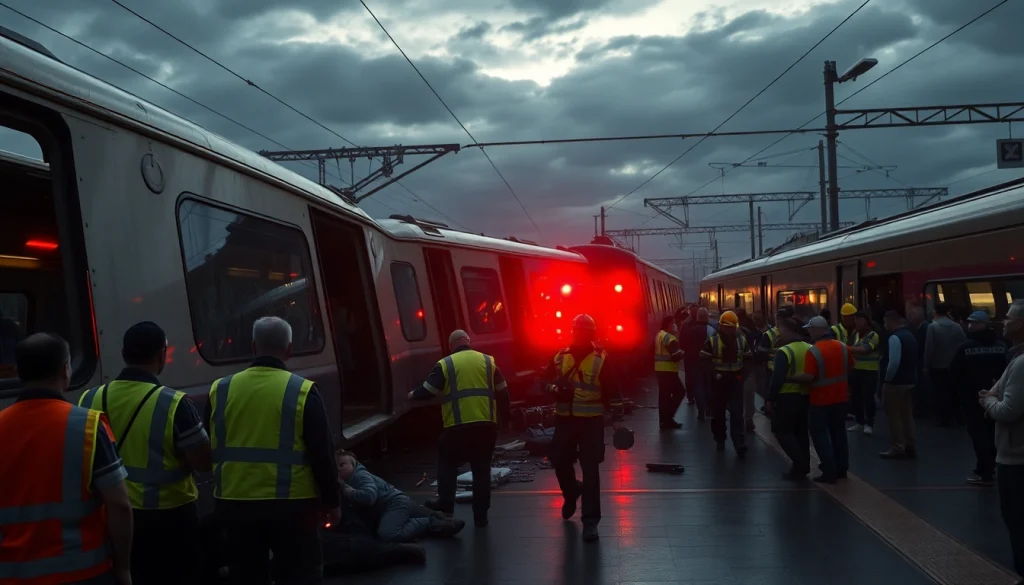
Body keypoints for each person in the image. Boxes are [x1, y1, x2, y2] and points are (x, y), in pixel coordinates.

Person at [206, 316, 342, 585]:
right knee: (301, 574)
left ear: (253, 347)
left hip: (235, 503)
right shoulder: (302, 391)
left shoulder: (220, 390)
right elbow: (322, 454)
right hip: (293, 506)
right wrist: (331, 501)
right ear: (289, 349)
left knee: (246, 574)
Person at [78, 321, 211, 585]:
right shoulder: (174, 404)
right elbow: (203, 462)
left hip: (110, 517)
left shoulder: (88, 399)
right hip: (169, 522)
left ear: (124, 354)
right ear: (162, 355)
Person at [0, 333, 133, 585]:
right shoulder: (89, 426)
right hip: (83, 573)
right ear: (65, 370)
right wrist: (123, 567)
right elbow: (119, 504)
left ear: (18, 372)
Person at [411, 329, 507, 528]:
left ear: (451, 345)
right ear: (469, 342)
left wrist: (411, 395)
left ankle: (446, 507)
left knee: (447, 463)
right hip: (485, 426)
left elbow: (428, 391)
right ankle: (481, 516)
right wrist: (505, 420)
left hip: (457, 427)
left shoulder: (445, 364)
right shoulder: (488, 361)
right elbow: (503, 392)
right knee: (481, 470)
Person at [543, 314, 625, 542]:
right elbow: (542, 381)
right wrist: (553, 388)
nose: (580, 334)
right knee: (559, 462)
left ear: (591, 334)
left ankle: (590, 523)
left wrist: (618, 418)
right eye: (577, 330)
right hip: (565, 421)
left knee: (591, 471)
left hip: (591, 422)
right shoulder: (560, 357)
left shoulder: (601, 359)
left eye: (584, 330)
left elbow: (612, 389)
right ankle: (571, 493)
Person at [980, 299, 1024, 580]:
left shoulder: (1020, 364)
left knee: (1017, 522)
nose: (1003, 322)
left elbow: (1006, 409)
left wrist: (987, 403)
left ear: (1021, 324)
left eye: (1008, 318)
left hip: (1016, 457)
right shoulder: (1014, 359)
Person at [336, 449, 464, 541]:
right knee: (415, 510)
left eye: (342, 465)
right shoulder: (353, 476)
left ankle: (428, 522)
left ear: (354, 464)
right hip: (397, 501)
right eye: (336, 467)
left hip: (394, 504)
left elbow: (369, 497)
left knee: (388, 534)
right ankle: (439, 520)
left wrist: (347, 489)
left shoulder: (359, 476)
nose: (339, 469)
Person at [950, 311, 1008, 486]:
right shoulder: (1001, 346)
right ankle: (991, 465)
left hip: (972, 397)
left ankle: (984, 471)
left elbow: (954, 372)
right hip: (996, 395)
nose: (970, 326)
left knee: (978, 434)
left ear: (983, 324)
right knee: (992, 433)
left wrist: (956, 395)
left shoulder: (965, 347)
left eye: (974, 323)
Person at [804, 316, 854, 483]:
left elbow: (809, 377)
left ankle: (829, 469)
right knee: (839, 433)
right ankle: (842, 468)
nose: (808, 332)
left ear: (818, 330)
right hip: (841, 398)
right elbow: (850, 366)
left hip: (820, 400)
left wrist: (791, 378)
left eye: (810, 329)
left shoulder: (814, 351)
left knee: (819, 435)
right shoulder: (842, 347)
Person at [764, 317, 813, 480]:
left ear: (790, 332)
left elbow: (777, 378)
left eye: (781, 331)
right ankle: (802, 464)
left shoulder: (784, 351)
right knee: (800, 432)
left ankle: (800, 464)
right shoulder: (810, 348)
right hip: (806, 396)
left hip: (787, 397)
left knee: (781, 430)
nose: (779, 335)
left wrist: (770, 399)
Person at [700, 310, 751, 456]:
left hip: (735, 381)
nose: (730, 330)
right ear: (721, 326)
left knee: (736, 412)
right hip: (718, 382)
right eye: (727, 327)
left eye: (732, 327)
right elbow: (704, 360)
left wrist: (742, 375)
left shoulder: (742, 340)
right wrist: (714, 373)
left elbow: (748, 359)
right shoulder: (712, 341)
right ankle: (720, 439)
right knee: (718, 413)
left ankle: (739, 443)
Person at [879, 310, 920, 459]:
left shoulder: (895, 338)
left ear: (891, 321)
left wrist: (887, 379)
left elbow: (894, 362)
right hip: (909, 381)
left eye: (885, 322)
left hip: (895, 383)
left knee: (893, 415)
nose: (884, 325)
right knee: (906, 415)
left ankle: (898, 446)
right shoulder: (910, 336)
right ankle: (910, 444)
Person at [925, 302, 967, 427]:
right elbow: (962, 343)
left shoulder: (932, 327)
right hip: (954, 365)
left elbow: (929, 348)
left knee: (940, 392)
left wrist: (925, 365)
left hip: (937, 365)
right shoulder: (957, 326)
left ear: (935, 312)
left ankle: (944, 418)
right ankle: (958, 417)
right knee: (954, 391)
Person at [847, 312, 880, 436]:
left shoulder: (873, 335)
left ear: (866, 321)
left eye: (860, 320)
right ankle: (860, 422)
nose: (857, 322)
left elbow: (865, 349)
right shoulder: (855, 334)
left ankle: (869, 423)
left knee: (868, 397)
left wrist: (845, 348)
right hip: (856, 369)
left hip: (870, 370)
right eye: (856, 320)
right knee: (856, 396)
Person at [654, 315, 685, 429]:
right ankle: (668, 418)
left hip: (660, 370)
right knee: (680, 392)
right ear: (668, 324)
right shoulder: (669, 338)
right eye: (673, 323)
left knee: (664, 396)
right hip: (668, 371)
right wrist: (683, 353)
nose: (674, 326)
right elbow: (676, 355)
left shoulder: (659, 335)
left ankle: (664, 421)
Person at [680, 307, 711, 419]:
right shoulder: (711, 330)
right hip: (708, 361)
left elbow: (682, 343)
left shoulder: (690, 329)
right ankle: (708, 408)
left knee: (698, 384)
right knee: (708, 384)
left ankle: (701, 408)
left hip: (693, 360)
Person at [908, 306, 931, 418]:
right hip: (920, 360)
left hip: (922, 360)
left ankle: (923, 408)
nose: (910, 318)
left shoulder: (925, 329)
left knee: (922, 385)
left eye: (911, 315)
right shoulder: (922, 328)